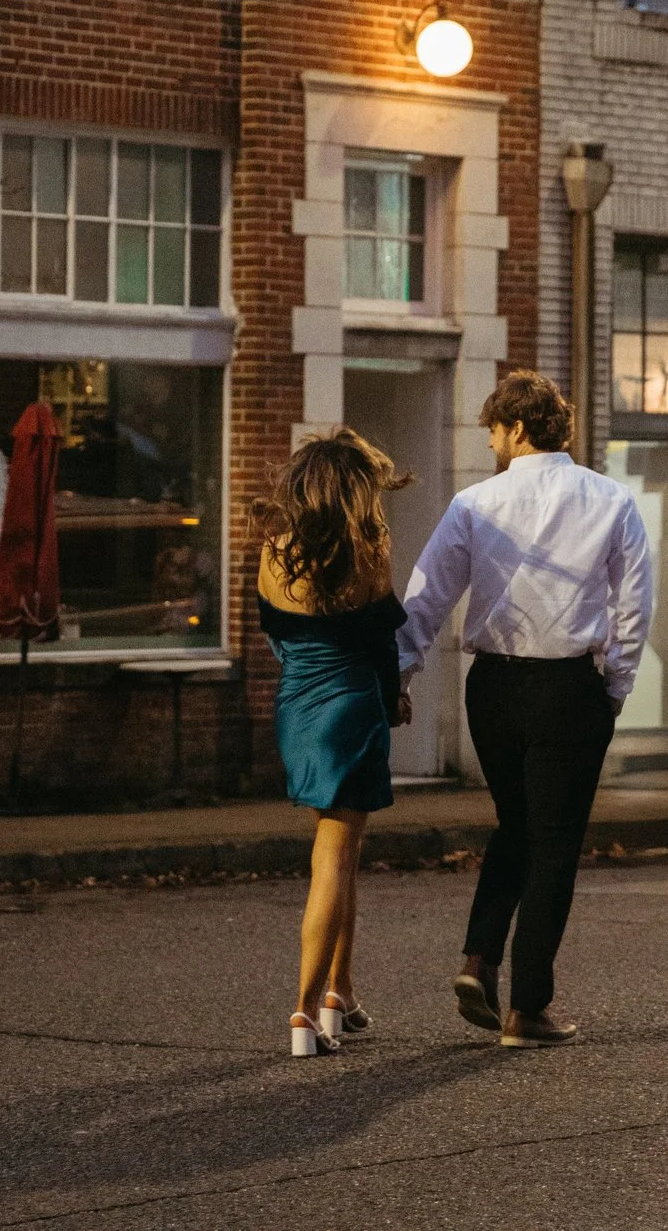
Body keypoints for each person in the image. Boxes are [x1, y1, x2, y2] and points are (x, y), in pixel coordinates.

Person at [399, 369, 652, 1049]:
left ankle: (480, 958)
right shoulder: (611, 500)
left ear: (516, 427)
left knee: (518, 824)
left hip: (493, 688)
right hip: (568, 688)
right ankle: (527, 1007)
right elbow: (633, 607)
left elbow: (427, 594)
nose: (489, 441)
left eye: (492, 428)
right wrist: (615, 688)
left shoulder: (474, 504)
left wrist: (400, 670)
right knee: (553, 845)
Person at [256, 428, 413, 1058]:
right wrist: (394, 697)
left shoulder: (274, 551)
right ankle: (302, 1012)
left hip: (297, 706)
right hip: (352, 707)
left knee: (342, 853)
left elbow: (274, 636)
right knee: (333, 860)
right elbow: (381, 648)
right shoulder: (369, 550)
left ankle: (339, 993)